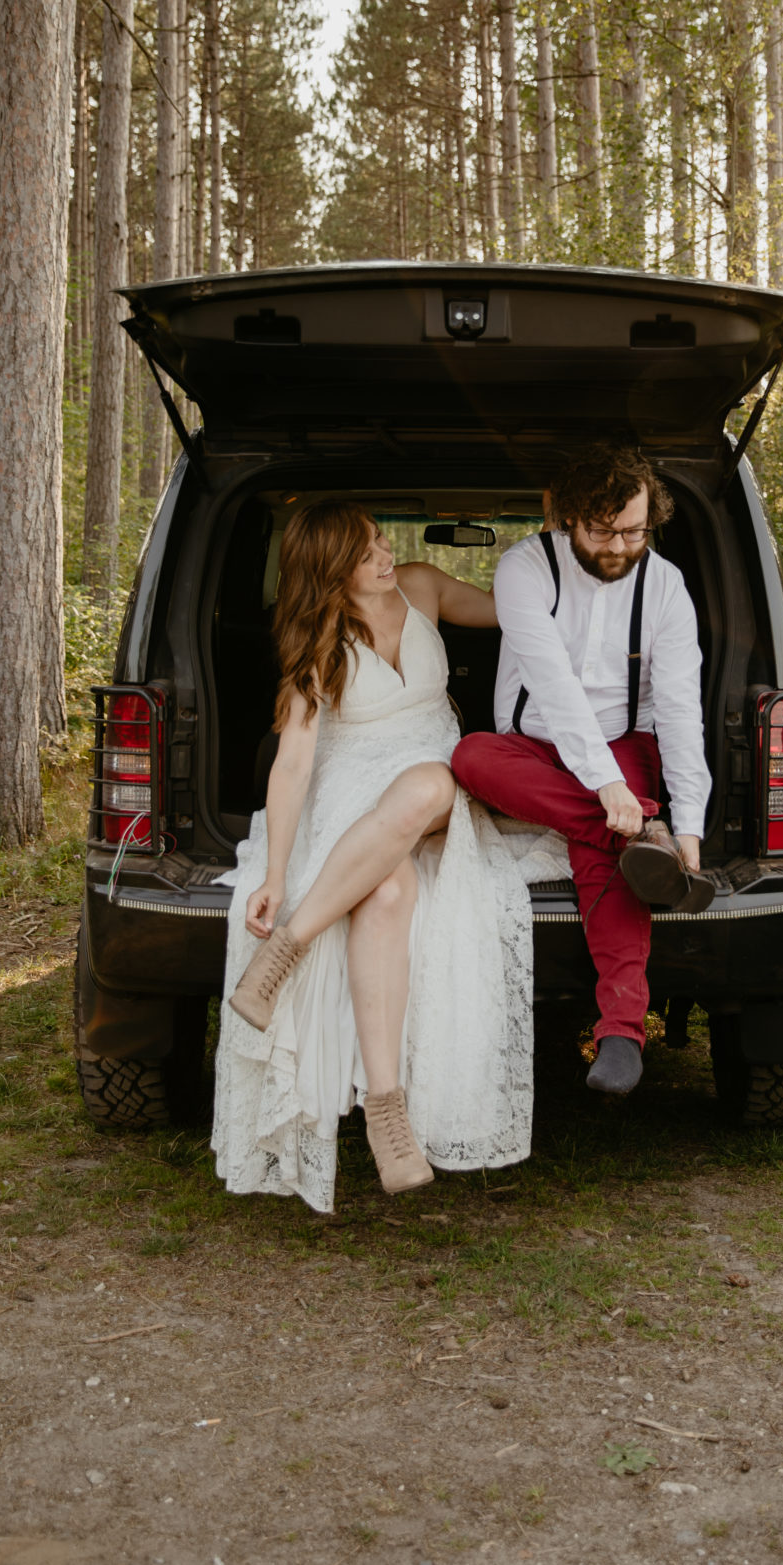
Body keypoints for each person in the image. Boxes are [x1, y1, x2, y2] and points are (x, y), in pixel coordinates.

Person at [212, 501, 546, 1211]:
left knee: (430, 782)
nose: (384, 556)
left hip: (431, 770)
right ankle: (387, 1113)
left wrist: (560, 555)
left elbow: (512, 612)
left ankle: (286, 951)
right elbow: (295, 763)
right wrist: (274, 873)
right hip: (352, 792)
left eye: (378, 542)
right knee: (388, 895)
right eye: (365, 553)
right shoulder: (318, 636)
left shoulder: (423, 586)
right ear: (331, 569)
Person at [451, 445, 715, 1099]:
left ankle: (622, 1032)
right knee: (469, 756)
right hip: (535, 747)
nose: (621, 545)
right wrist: (614, 799)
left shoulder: (665, 589)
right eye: (604, 531)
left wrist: (687, 828)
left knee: (600, 857)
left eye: (634, 529)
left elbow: (681, 710)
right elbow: (553, 685)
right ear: (569, 519)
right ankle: (632, 837)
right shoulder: (524, 568)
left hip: (625, 740)